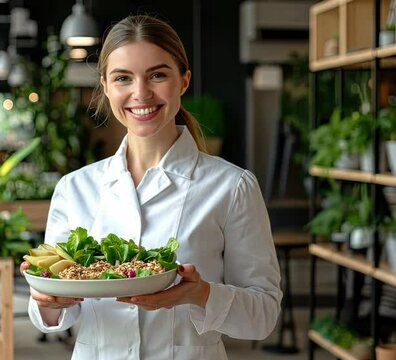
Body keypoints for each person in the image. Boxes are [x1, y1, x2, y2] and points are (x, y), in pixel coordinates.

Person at [23, 14, 282, 359]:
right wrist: (48, 300)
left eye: (157, 75)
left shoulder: (232, 186)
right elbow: (53, 316)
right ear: (105, 86)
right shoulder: (75, 188)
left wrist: (200, 294)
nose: (140, 93)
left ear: (184, 81)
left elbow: (263, 315)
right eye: (123, 78)